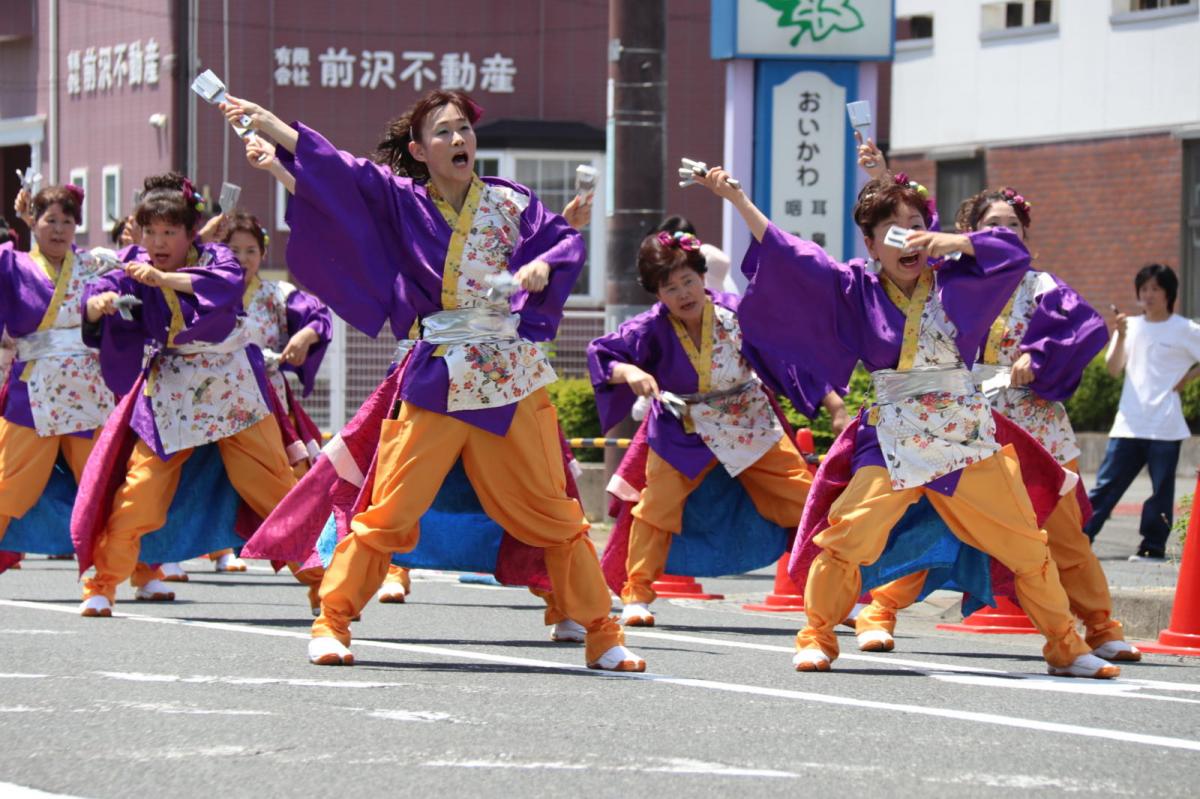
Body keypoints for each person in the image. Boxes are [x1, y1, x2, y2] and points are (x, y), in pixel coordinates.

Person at [220, 88, 642, 671]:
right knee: (391, 509)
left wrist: (544, 263)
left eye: (463, 128)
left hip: (508, 373)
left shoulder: (511, 201)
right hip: (438, 373)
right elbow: (343, 173)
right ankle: (332, 620)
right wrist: (270, 124)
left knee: (554, 511)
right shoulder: (403, 201)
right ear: (419, 150)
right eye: (443, 131)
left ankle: (601, 632)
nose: (458, 138)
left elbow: (562, 241)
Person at [697, 164, 1120, 679]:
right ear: (872, 244)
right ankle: (818, 636)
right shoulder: (855, 286)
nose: (908, 239)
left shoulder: (958, 279)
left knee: (1026, 543)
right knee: (847, 534)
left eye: (916, 225)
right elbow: (795, 257)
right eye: (893, 231)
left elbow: (1013, 253)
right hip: (893, 433)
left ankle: (1065, 645)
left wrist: (953, 242)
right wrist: (740, 202)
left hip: (963, 430)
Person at [853, 178, 1140, 663]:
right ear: (968, 233)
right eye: (992, 226)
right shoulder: (944, 281)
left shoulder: (1041, 285)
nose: (1005, 233)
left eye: (1013, 226)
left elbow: (1083, 327)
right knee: (935, 522)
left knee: (1065, 533)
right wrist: (882, 173)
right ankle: (878, 611)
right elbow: (904, 238)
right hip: (962, 420)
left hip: (1035, 422)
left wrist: (1039, 355)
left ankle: (1099, 627)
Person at [73, 173, 299, 617]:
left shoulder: (218, 258)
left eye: (169, 231)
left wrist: (162, 278)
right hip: (172, 387)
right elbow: (103, 289)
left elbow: (225, 286)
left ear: (190, 232)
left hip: (230, 383)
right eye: (150, 231)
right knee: (141, 490)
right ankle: (103, 583)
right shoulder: (135, 263)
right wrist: (96, 306)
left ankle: (324, 581)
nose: (158, 242)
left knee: (274, 486)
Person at [588, 229, 814, 625]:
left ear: (702, 276)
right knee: (656, 506)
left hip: (746, 419)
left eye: (688, 280)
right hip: (681, 427)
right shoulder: (650, 327)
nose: (683, 294)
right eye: (670, 288)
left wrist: (827, 400)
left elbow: (785, 354)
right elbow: (603, 353)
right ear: (657, 294)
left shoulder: (737, 313)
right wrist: (630, 372)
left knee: (805, 498)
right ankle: (637, 593)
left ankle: (839, 591)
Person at [1084, 264, 1200, 560]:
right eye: (1144, 289)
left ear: (1168, 293)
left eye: (1155, 289)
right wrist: (1121, 335)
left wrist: (1188, 377)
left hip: (1166, 425)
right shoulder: (1130, 326)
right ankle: (1079, 539)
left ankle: (1152, 546)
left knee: (1161, 491)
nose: (1148, 295)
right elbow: (1113, 369)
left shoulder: (1185, 329)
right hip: (1129, 423)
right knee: (1105, 487)